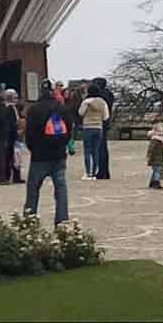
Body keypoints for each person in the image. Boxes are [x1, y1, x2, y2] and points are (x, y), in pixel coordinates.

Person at [23, 80, 70, 225]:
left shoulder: (33, 109)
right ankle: (61, 220)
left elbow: (28, 134)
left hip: (39, 156)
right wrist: (62, 146)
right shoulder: (61, 108)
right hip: (58, 155)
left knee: (33, 190)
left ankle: (29, 220)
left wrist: (33, 149)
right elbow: (69, 130)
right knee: (60, 190)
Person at [77, 82, 110, 180]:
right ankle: (95, 173)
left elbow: (80, 112)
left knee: (87, 150)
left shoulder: (86, 102)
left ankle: (88, 173)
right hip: (98, 127)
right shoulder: (102, 102)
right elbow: (106, 117)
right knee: (96, 151)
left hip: (87, 127)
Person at [94, 77, 115, 180]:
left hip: (98, 122)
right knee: (103, 148)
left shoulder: (99, 96)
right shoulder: (109, 94)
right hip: (106, 122)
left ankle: (101, 171)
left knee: (99, 148)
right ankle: (105, 171)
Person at [146, 115, 163, 189]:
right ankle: (156, 182)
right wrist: (149, 155)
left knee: (156, 170)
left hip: (158, 157)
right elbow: (151, 149)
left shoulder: (161, 140)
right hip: (155, 157)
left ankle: (152, 182)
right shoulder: (155, 140)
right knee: (157, 171)